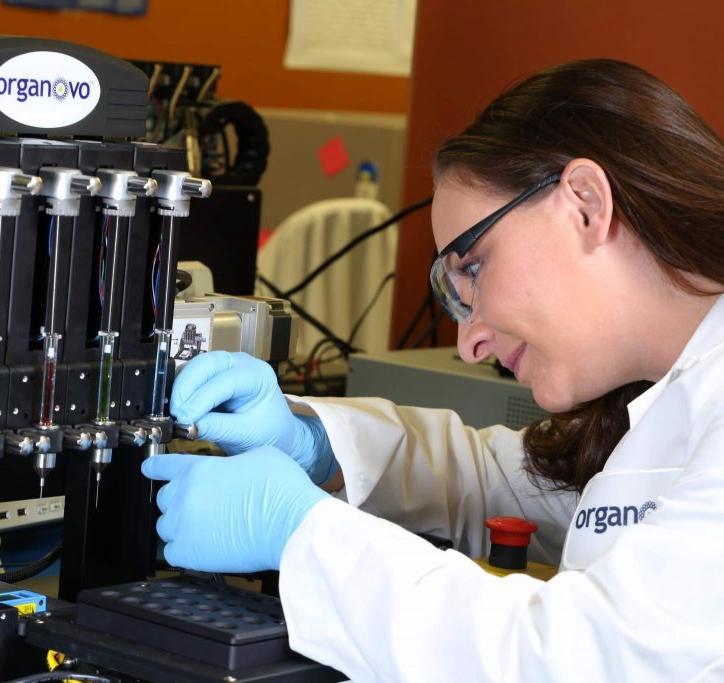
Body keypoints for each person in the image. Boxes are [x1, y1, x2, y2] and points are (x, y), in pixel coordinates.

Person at [141, 59, 724, 682]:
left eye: (472, 267)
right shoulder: (669, 399)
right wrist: (316, 447)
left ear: (584, 204)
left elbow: (575, 661)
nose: (470, 342)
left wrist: (302, 535)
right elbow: (498, 479)